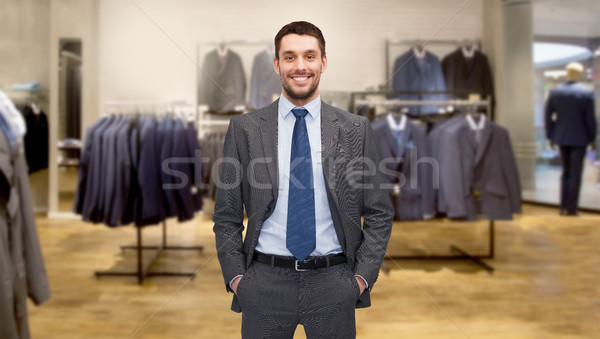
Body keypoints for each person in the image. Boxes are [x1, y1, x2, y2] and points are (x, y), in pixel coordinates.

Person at [212, 21, 394, 338]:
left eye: (310, 56)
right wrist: (238, 279)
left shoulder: (355, 129)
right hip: (263, 284)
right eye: (290, 56)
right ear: (276, 64)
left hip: (334, 283)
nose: (300, 66)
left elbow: (379, 212)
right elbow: (226, 214)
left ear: (323, 62)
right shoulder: (245, 129)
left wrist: (361, 279)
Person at [545, 62, 597, 216]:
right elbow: (590, 119)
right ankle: (571, 207)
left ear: (567, 73)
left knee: (565, 172)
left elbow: (548, 117)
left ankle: (562, 206)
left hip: (561, 136)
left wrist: (551, 135)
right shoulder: (586, 93)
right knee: (575, 173)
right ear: (579, 74)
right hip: (579, 137)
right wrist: (592, 138)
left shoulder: (555, 93)